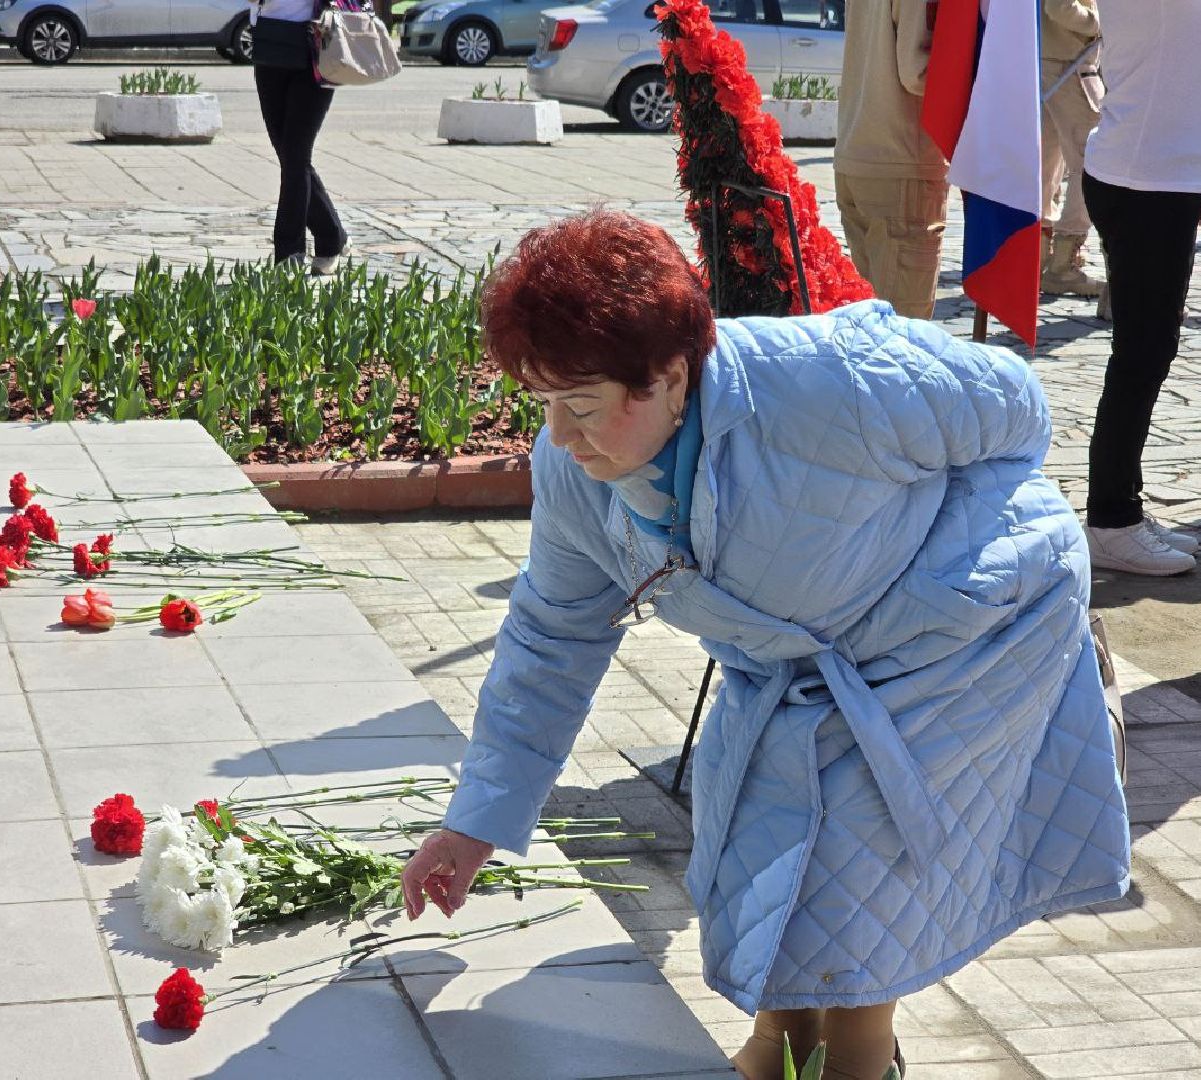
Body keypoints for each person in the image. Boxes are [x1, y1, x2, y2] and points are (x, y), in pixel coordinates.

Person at [399, 211, 1131, 1080]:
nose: (558, 435)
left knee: (858, 831)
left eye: (582, 406)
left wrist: (932, 549)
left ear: (671, 377)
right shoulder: (574, 474)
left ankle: (861, 1056)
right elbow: (549, 642)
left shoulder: (829, 378)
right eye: (544, 404)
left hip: (974, 617)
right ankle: (784, 1039)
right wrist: (474, 823)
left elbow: (1015, 408)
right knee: (757, 809)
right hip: (806, 653)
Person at [1079, 0, 1201, 576]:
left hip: (1159, 177)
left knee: (1145, 355)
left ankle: (1121, 508)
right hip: (1146, 182)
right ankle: (1111, 520)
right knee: (1141, 357)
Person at [834, 0, 949, 320]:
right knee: (901, 332)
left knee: (870, 326)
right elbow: (917, 72)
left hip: (859, 153)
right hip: (900, 159)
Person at [248, 0, 349, 272]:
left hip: (318, 46)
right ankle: (332, 236)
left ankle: (289, 253)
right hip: (270, 46)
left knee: (295, 155)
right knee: (289, 155)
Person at [1039, 0, 1104, 298]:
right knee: (1091, 162)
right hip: (1068, 63)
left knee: (1046, 164)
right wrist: (1100, 23)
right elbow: (1060, 7)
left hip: (1055, 58)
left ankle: (1039, 255)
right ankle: (1063, 263)